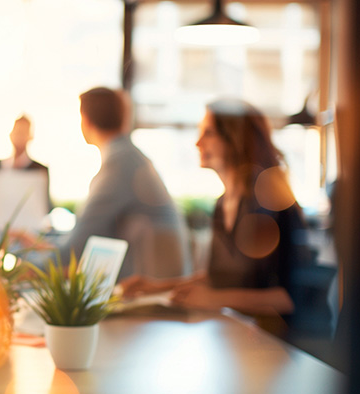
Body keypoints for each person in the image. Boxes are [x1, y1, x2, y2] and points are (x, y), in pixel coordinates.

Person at [120, 99, 315, 338]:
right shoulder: (223, 204)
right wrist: (155, 287)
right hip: (241, 335)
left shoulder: (269, 201)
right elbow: (218, 278)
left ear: (235, 139)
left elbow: (287, 299)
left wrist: (215, 299)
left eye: (208, 133)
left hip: (282, 345)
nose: (197, 142)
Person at [41, 87, 190, 280]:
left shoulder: (120, 164)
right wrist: (40, 245)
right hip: (153, 282)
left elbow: (75, 249)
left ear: (85, 121)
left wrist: (22, 263)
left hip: (147, 292)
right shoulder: (129, 157)